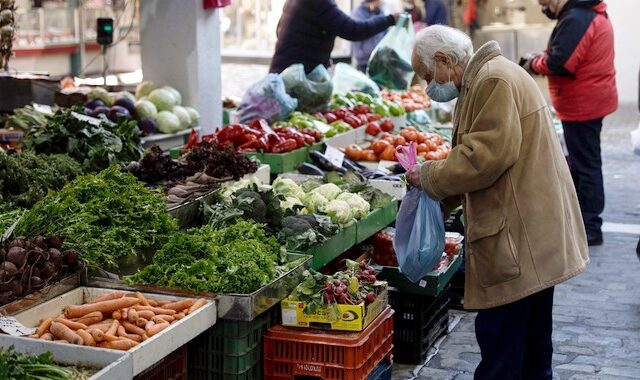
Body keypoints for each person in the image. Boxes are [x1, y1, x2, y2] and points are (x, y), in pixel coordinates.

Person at [407, 25, 589, 378]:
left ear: (445, 60)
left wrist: (428, 176)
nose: (429, 87)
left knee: (503, 348)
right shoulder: (491, 76)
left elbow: (483, 158)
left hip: (521, 237)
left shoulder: (492, 81)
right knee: (531, 346)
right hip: (533, 232)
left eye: (428, 75)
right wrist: (443, 195)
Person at [520, 0, 617, 246]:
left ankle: (591, 227)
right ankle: (583, 220)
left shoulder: (577, 17)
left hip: (584, 104)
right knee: (583, 162)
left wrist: (532, 63)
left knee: (586, 165)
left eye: (545, 3)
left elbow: (560, 63)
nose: (545, 8)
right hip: (588, 100)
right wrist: (540, 57)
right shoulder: (585, 13)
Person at [269, 0, 398, 74]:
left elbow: (279, 30)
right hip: (295, 78)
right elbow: (353, 30)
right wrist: (390, 19)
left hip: (285, 73)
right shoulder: (320, 2)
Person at [352, 0, 387, 73]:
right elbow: (358, 36)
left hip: (379, 60)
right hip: (364, 61)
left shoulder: (381, 12)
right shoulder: (358, 14)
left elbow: (385, 34)